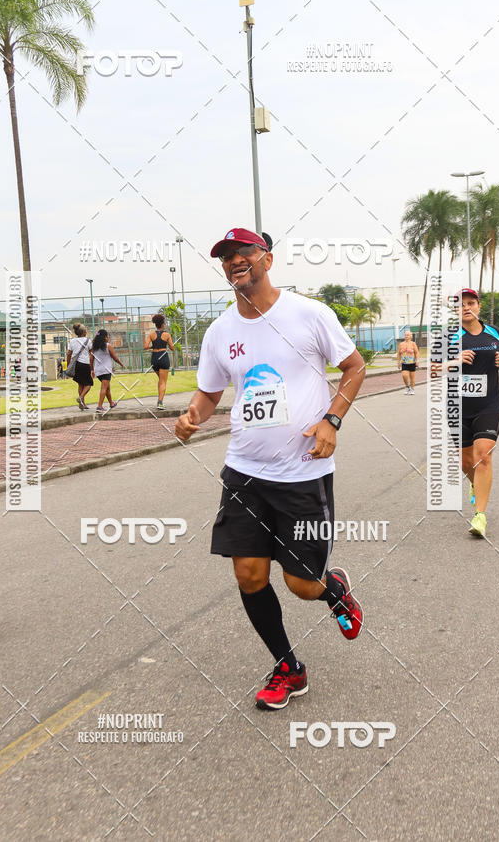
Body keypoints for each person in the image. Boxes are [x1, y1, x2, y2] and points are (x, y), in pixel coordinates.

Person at [175, 227, 366, 711]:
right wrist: (193, 414)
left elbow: (355, 367)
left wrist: (332, 420)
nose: (235, 261)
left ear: (267, 259)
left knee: (302, 585)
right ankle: (288, 667)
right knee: (249, 575)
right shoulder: (220, 331)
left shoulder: (308, 314)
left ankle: (333, 590)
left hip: (302, 473)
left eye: (244, 252)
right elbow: (210, 391)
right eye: (226, 257)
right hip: (244, 471)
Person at [432, 289, 499, 537]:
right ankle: (476, 485)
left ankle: (480, 516)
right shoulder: (447, 337)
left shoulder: (493, 332)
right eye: (460, 304)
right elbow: (433, 369)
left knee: (483, 455)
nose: (465, 307)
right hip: (458, 408)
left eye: (470, 303)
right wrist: (454, 361)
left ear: (478, 306)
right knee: (467, 462)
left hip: (489, 405)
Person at [144, 314, 175, 409]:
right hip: (163, 356)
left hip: (154, 358)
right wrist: (167, 344)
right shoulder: (167, 335)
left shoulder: (151, 334)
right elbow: (172, 348)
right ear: (162, 324)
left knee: (161, 380)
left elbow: (145, 347)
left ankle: (159, 399)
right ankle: (160, 402)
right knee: (163, 382)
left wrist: (153, 347)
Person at [90, 329, 124, 415]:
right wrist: (120, 363)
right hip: (106, 370)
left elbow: (91, 359)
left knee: (107, 388)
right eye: (107, 336)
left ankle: (111, 403)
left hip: (98, 371)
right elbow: (115, 357)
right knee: (104, 388)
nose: (108, 337)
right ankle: (99, 406)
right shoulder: (108, 346)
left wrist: (92, 370)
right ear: (105, 337)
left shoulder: (94, 347)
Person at [67, 324, 92, 410]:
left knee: (80, 384)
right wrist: (92, 366)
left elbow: (69, 354)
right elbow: (92, 353)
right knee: (89, 384)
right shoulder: (88, 341)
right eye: (86, 330)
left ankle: (83, 404)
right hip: (85, 364)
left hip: (76, 365)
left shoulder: (72, 341)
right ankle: (81, 398)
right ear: (84, 332)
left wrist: (68, 364)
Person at [397, 330, 419, 394]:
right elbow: (398, 354)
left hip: (412, 363)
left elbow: (417, 353)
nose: (406, 336)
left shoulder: (413, 344)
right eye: (405, 335)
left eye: (408, 335)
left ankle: (412, 389)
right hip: (404, 363)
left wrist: (417, 361)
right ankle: (407, 386)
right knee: (404, 375)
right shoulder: (401, 344)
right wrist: (398, 362)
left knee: (412, 377)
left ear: (410, 336)